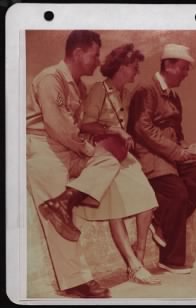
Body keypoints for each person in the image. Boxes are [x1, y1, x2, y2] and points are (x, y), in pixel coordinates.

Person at [27, 30, 113, 298]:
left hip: (67, 148)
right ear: (78, 53)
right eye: (94, 55)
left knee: (108, 161)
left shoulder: (79, 86)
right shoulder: (51, 78)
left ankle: (65, 200)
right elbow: (57, 125)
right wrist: (86, 148)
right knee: (60, 221)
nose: (98, 62)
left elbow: (72, 127)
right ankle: (76, 280)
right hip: (43, 147)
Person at [78, 43, 160, 285]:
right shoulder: (98, 89)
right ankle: (135, 267)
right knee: (117, 210)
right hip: (103, 155)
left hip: (123, 155)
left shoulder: (124, 92)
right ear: (122, 67)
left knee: (147, 200)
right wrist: (114, 129)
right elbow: (85, 125)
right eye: (134, 68)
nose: (137, 73)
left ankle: (139, 256)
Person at [127, 43, 196, 274]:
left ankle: (161, 220)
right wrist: (178, 153)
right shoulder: (146, 89)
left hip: (170, 155)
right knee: (177, 193)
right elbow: (142, 128)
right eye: (183, 68)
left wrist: (190, 152)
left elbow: (178, 134)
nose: (186, 73)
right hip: (149, 155)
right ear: (168, 65)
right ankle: (171, 259)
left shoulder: (173, 97)